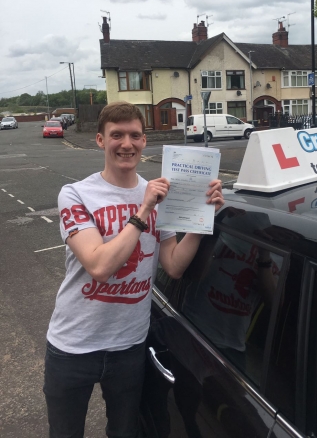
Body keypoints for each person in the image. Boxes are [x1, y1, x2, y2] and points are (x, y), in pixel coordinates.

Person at [43, 101, 224, 438]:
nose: (126, 144)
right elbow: (99, 265)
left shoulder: (158, 195)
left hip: (128, 345)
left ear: (144, 142)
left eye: (134, 136)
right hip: (74, 345)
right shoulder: (76, 194)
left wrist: (202, 218)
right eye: (117, 135)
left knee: (125, 431)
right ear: (100, 140)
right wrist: (143, 211)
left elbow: (173, 265)